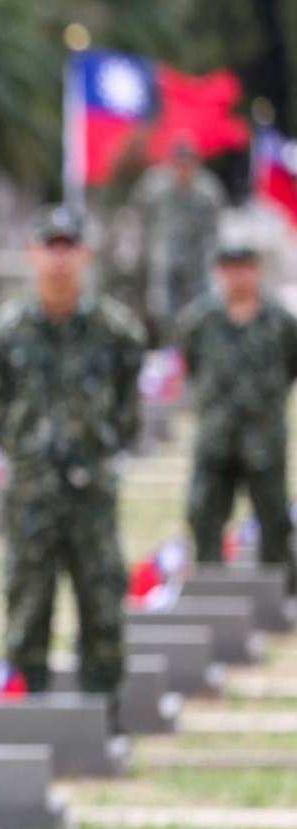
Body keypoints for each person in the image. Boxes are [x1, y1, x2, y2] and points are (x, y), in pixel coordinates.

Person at [0, 207, 144, 706]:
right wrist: (26, 449)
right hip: (30, 490)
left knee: (101, 600)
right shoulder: (9, 330)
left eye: (67, 247)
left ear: (84, 254)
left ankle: (103, 709)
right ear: (33, 254)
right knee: (27, 600)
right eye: (49, 247)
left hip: (91, 489)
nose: (58, 259)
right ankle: (26, 707)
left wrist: (95, 449)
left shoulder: (115, 330)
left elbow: (128, 410)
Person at [175, 238, 297, 589]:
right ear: (219, 273)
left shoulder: (280, 321)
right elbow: (192, 366)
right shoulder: (199, 321)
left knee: (274, 518)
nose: (237, 276)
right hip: (216, 439)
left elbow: (290, 367)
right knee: (204, 515)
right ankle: (212, 587)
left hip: (264, 440)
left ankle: (280, 592)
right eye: (229, 268)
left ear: (256, 271)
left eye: (244, 268)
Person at [135, 137, 226, 336]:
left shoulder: (207, 191)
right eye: (178, 163)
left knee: (201, 305)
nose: (183, 169)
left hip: (197, 257)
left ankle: (197, 343)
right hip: (165, 254)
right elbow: (143, 217)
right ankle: (168, 345)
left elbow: (215, 227)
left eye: (187, 163)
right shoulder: (155, 187)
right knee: (162, 306)